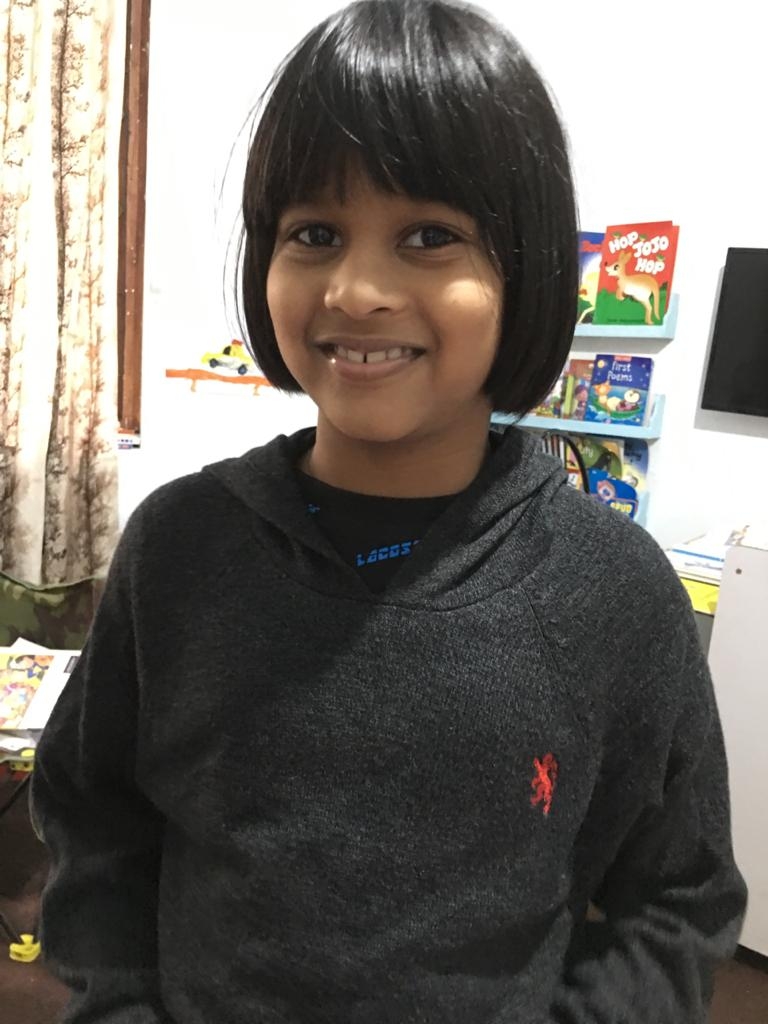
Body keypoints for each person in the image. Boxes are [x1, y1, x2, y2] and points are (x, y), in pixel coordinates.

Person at [31, 1, 746, 1022]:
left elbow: (678, 897)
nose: (358, 289)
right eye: (315, 233)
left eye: (430, 236)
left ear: (527, 271)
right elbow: (94, 817)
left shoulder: (613, 591)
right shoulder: (178, 547)